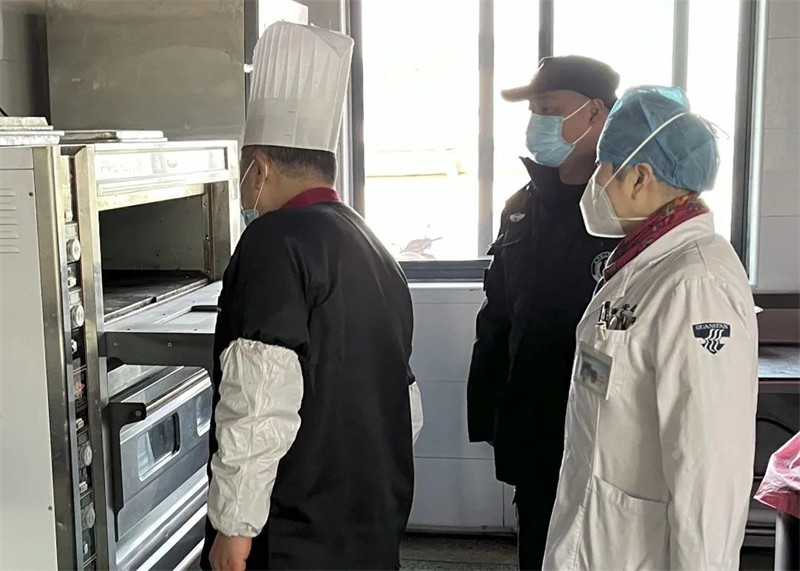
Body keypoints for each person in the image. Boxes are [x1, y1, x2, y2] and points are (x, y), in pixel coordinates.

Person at [200, 22, 423, 571]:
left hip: (295, 536)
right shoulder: (369, 242)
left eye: (246, 169)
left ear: (260, 167)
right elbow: (408, 402)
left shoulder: (274, 242)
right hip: (369, 524)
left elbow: (258, 398)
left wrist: (233, 528)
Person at [543, 86, 758, 570]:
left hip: (640, 549)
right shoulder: (644, 262)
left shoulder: (696, 283)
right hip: (599, 531)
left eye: (604, 167)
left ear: (640, 176)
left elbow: (707, 468)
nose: (595, 183)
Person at [466, 55, 620, 569]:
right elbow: (500, 313)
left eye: (549, 109)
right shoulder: (522, 204)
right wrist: (490, 410)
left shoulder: (626, 208)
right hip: (532, 417)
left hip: (600, 424)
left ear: (595, 112)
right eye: (533, 110)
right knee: (537, 542)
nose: (538, 123)